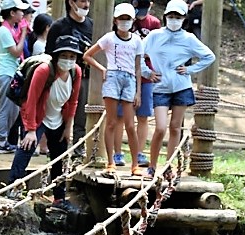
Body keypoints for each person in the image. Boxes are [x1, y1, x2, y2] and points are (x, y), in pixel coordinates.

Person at [6, 35, 83, 211]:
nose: (68, 60)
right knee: (26, 148)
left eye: (72, 56)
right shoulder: (44, 71)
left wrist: (68, 127)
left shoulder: (75, 72)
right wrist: (31, 129)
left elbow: (73, 101)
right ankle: (13, 188)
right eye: (64, 56)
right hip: (38, 115)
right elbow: (31, 100)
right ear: (56, 56)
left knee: (59, 156)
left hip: (58, 117)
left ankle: (59, 198)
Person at [143, 0, 215, 176]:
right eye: (171, 16)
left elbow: (209, 56)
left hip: (181, 87)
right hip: (160, 87)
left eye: (178, 17)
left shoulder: (189, 38)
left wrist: (190, 69)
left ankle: (168, 167)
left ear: (184, 19)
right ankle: (152, 166)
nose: (174, 20)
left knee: (175, 127)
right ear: (165, 17)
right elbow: (137, 54)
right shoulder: (154, 36)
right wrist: (147, 72)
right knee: (160, 127)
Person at [83, 2, 144, 174]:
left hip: (129, 79)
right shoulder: (109, 38)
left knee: (130, 125)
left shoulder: (137, 40)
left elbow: (138, 67)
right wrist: (103, 69)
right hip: (113, 77)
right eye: (121, 18)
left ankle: (135, 165)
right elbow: (87, 55)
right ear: (115, 20)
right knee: (111, 122)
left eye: (127, 19)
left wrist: (138, 92)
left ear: (132, 20)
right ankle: (110, 162)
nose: (124, 22)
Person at [111, 0, 160, 168]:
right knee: (120, 116)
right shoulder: (124, 20)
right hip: (123, 74)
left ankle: (139, 153)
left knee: (143, 116)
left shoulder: (154, 23)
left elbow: (156, 48)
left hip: (146, 77)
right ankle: (117, 153)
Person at [45, 0, 93, 158]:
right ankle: (56, 150)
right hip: (60, 76)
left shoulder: (92, 25)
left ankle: (78, 151)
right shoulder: (58, 26)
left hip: (84, 76)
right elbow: (49, 53)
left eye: (88, 1)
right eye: (82, 1)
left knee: (81, 116)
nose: (86, 4)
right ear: (71, 2)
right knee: (58, 113)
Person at [0, 0, 32, 153]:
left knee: (13, 109)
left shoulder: (10, 29)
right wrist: (23, 32)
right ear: (12, 13)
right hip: (5, 72)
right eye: (20, 11)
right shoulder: (4, 31)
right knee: (5, 108)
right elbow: (16, 52)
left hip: (10, 71)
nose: (23, 14)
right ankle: (0, 141)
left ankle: (2, 139)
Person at [26, 13, 53, 156]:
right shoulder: (39, 44)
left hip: (46, 82)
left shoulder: (45, 42)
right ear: (47, 27)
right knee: (39, 113)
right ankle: (36, 145)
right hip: (40, 82)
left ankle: (43, 145)